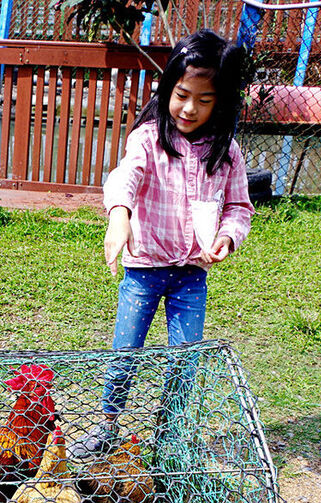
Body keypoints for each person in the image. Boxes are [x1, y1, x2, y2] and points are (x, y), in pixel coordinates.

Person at [71, 29, 255, 459]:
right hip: (143, 272)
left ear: (221, 102)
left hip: (191, 277)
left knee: (184, 360)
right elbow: (125, 178)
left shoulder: (227, 153)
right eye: (182, 94)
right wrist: (119, 216)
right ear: (168, 87)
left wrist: (228, 236)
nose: (189, 108)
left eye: (204, 100)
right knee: (125, 353)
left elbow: (240, 206)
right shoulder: (148, 140)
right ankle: (107, 425)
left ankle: (168, 436)